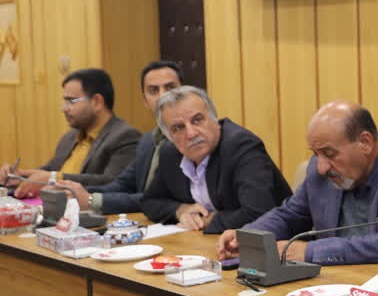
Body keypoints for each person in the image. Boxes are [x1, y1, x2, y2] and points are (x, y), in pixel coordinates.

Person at [215, 101, 378, 265]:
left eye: (329, 154)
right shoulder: (320, 167)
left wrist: (311, 252)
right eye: (316, 154)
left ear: (365, 142)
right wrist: (247, 236)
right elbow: (291, 214)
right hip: (326, 284)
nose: (321, 166)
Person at [142, 86, 291, 234]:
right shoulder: (170, 154)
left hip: (274, 242)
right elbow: (150, 202)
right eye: (178, 128)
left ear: (214, 119)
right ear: (169, 136)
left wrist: (206, 220)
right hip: (205, 242)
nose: (191, 133)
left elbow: (259, 213)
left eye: (197, 120)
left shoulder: (241, 146)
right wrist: (180, 210)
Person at [54, 60, 182, 215]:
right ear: (145, 101)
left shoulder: (188, 138)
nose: (163, 96)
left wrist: (91, 200)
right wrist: (76, 192)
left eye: (170, 88)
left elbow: (155, 198)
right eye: (153, 90)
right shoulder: (148, 141)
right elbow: (121, 185)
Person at [1, 68, 140, 198]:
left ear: (97, 102)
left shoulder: (124, 136)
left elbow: (112, 182)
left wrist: (54, 178)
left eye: (71, 101)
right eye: (65, 102)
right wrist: (19, 177)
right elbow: (49, 170)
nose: (64, 109)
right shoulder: (70, 137)